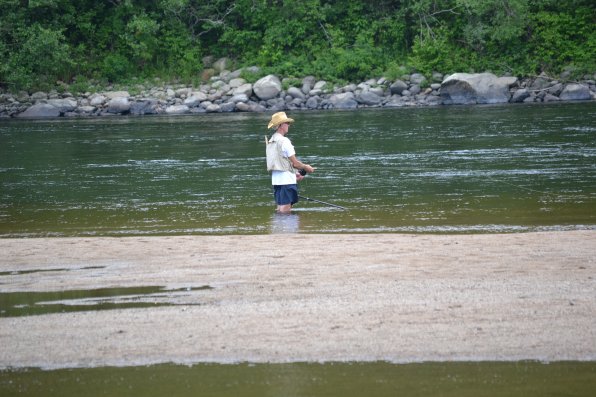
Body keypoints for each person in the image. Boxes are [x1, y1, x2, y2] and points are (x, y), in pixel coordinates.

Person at [266, 112, 315, 213]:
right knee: (285, 210)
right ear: (281, 125)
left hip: (276, 181)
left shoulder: (271, 140)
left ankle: (279, 229)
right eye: (287, 123)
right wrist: (306, 168)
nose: (289, 125)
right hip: (286, 181)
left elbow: (280, 162)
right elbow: (295, 163)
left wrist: (294, 174)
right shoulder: (284, 141)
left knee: (280, 209)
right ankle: (286, 229)